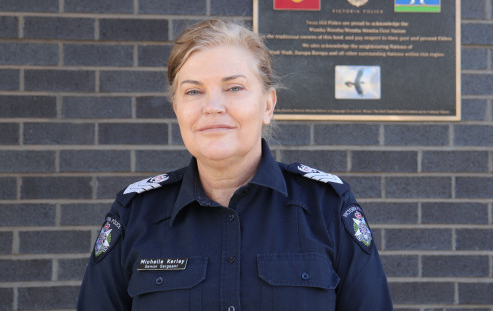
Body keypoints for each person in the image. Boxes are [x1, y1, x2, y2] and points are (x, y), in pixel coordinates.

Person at [77, 19, 393, 310]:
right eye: (193, 91)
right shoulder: (135, 214)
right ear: (177, 109)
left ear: (267, 105)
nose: (213, 106)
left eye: (234, 88)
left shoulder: (327, 208)